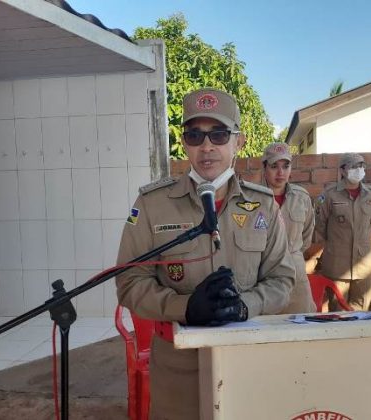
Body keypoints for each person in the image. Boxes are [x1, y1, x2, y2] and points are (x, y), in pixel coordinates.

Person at [116, 87, 296, 419]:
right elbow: (129, 281)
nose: (207, 146)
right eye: (195, 135)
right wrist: (185, 308)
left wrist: (245, 305)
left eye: (219, 134)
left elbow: (282, 280)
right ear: (184, 143)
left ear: (238, 141)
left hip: (248, 361)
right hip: (178, 367)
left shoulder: (263, 204)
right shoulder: (152, 204)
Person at [314, 152, 371, 311]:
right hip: (337, 265)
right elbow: (320, 225)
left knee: (361, 312)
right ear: (342, 171)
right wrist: (338, 241)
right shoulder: (329, 195)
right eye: (353, 166)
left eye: (361, 166)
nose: (359, 170)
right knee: (338, 312)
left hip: (364, 265)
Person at [261, 142, 316, 313]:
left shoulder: (301, 197)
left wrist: (291, 253)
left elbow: (307, 235)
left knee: (301, 320)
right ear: (264, 168)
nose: (280, 172)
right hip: (263, 273)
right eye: (274, 166)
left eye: (285, 166)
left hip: (296, 273)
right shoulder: (252, 198)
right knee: (266, 323)